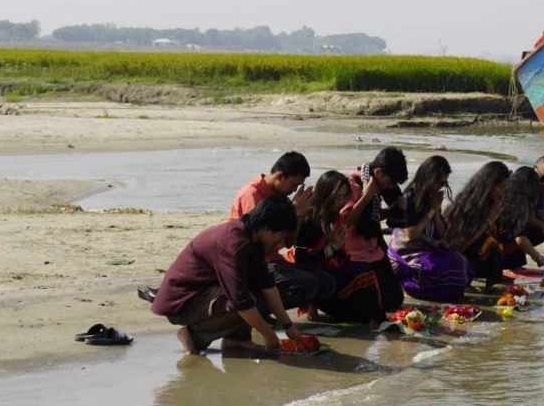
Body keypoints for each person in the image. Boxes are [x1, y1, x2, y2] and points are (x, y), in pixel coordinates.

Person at [152, 196, 305, 355]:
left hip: (204, 291)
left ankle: (238, 340)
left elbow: (267, 285)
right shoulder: (234, 244)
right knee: (245, 301)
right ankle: (194, 335)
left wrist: (288, 326)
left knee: (254, 291)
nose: (280, 240)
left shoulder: (253, 237)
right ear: (267, 229)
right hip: (181, 302)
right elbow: (240, 301)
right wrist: (268, 334)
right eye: (280, 235)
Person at [227, 151, 336, 314]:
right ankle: (253, 311)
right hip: (254, 261)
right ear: (280, 176)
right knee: (307, 283)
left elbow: (288, 243)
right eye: (293, 185)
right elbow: (260, 244)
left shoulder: (280, 195)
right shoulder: (252, 193)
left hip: (274, 259)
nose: (294, 190)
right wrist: (292, 211)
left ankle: (264, 309)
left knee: (327, 283)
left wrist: (297, 216)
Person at [290, 171, 390, 323]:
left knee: (366, 273)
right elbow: (302, 262)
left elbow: (337, 251)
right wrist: (332, 247)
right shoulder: (310, 220)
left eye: (344, 197)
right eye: (337, 197)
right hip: (313, 275)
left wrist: (335, 248)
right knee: (361, 278)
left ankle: (371, 316)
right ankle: (316, 305)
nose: (341, 202)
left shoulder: (334, 216)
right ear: (325, 193)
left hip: (330, 266)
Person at [388, 156, 471, 301]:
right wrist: (432, 211)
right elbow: (411, 234)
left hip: (426, 244)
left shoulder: (431, 196)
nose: (440, 187)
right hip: (408, 248)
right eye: (439, 182)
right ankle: (409, 285)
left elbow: (441, 232)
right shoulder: (409, 196)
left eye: (444, 183)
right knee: (438, 267)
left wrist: (436, 210)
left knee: (460, 261)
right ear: (429, 178)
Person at [339, 147, 409, 313]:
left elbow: (371, 216)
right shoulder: (353, 185)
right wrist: (367, 195)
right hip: (353, 254)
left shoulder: (372, 185)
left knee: (394, 299)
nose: (390, 186)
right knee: (376, 305)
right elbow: (346, 220)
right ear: (378, 172)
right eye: (390, 181)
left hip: (372, 250)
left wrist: (394, 210)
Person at [442, 161, 512, 286]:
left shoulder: (491, 202)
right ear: (489, 184)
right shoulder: (470, 204)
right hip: (456, 256)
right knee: (491, 242)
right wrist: (488, 221)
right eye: (501, 187)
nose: (502, 192)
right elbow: (463, 244)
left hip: (471, 255)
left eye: (505, 188)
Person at [498, 166, 544, 268]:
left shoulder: (504, 192)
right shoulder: (519, 204)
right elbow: (520, 240)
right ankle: (506, 263)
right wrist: (538, 257)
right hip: (496, 248)